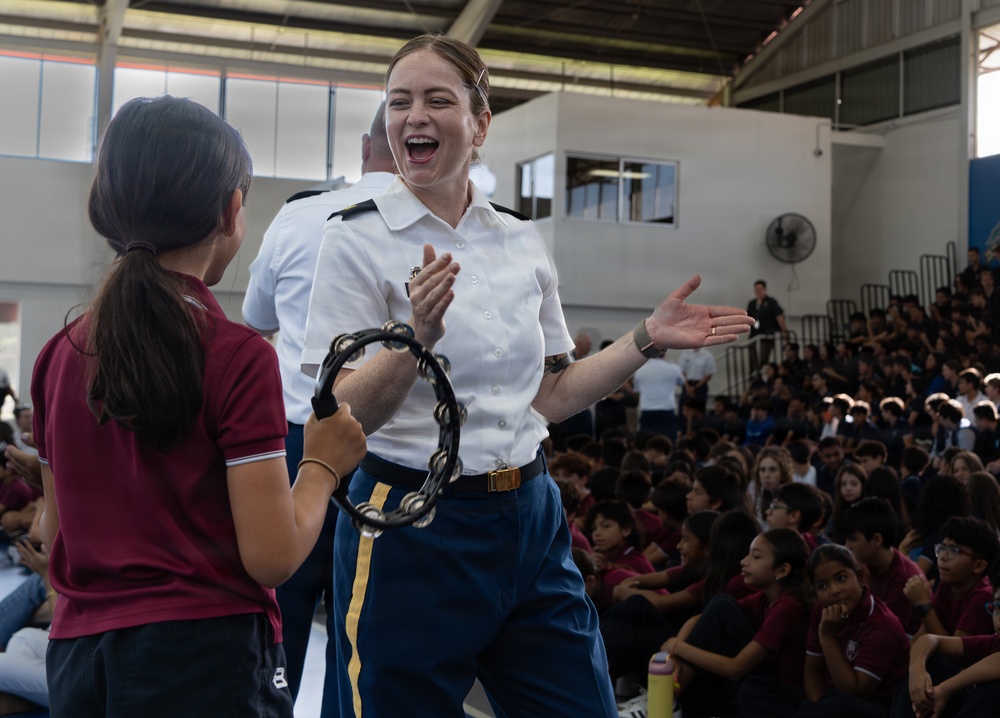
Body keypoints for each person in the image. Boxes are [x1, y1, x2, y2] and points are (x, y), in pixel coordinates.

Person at [299, 34, 754, 718]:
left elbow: (550, 395)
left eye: (436, 100)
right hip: (411, 523)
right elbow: (339, 415)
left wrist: (645, 339)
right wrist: (415, 339)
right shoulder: (354, 239)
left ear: (480, 125)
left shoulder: (519, 241)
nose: (412, 117)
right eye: (399, 102)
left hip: (528, 516)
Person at [31, 96, 367, 716]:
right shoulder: (236, 356)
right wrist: (322, 464)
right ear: (231, 211)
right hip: (204, 661)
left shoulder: (58, 354)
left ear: (104, 207)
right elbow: (270, 558)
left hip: (79, 657)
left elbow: (54, 531)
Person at [241, 102, 396, 703]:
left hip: (297, 440)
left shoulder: (299, 215)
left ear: (364, 148)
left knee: (284, 606)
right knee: (365, 628)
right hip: (390, 451)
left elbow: (255, 319)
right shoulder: (439, 225)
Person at [664, 528, 811, 718]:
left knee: (721, 605)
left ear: (782, 569)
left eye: (756, 557)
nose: (744, 561)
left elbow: (736, 669)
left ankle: (668, 699)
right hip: (762, 681)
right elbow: (701, 619)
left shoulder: (789, 607)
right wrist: (676, 652)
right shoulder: (764, 598)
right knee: (720, 605)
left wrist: (677, 647)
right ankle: (671, 697)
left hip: (783, 695)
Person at [798, 545, 909, 718]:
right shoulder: (822, 610)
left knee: (834, 702)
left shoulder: (882, 626)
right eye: (822, 586)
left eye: (841, 578)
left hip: (878, 707)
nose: (834, 590)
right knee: (754, 688)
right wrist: (818, 706)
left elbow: (856, 692)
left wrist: (827, 637)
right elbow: (813, 672)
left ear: (860, 577)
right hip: (832, 701)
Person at [747, 279, 789, 368]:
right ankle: (753, 371)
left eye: (760, 289)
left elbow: (779, 316)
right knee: (752, 352)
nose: (758, 291)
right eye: (756, 289)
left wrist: (784, 331)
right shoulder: (752, 303)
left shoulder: (771, 302)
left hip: (767, 334)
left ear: (765, 289)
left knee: (764, 355)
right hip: (754, 333)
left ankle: (761, 370)